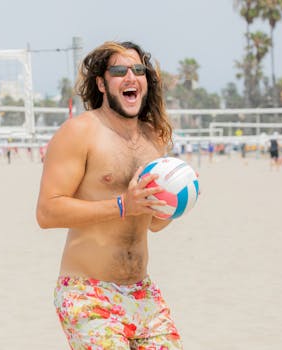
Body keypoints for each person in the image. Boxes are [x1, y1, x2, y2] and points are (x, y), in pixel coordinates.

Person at [36, 41, 183, 349]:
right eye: (119, 71)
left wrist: (177, 202)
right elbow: (47, 213)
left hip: (142, 293)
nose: (130, 76)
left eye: (138, 70)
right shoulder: (80, 132)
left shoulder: (154, 137)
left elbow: (153, 224)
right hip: (87, 292)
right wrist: (121, 205)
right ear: (101, 83)